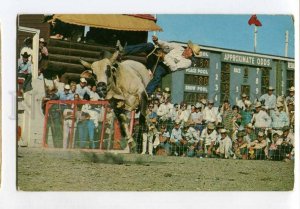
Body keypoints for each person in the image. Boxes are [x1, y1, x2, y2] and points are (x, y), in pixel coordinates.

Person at [117, 36, 200, 94]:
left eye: (192, 54)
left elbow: (174, 67)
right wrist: (157, 41)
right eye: (191, 51)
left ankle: (146, 94)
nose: (191, 54)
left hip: (164, 68)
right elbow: (166, 44)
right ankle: (124, 51)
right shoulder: (178, 47)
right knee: (150, 45)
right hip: (157, 59)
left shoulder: (188, 63)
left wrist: (165, 57)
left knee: (158, 76)